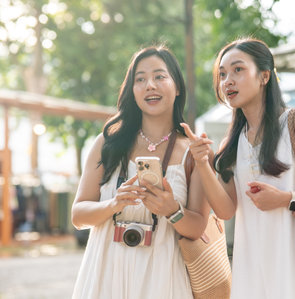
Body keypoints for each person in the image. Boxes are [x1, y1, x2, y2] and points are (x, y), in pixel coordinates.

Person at [181, 38, 295, 299]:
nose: (227, 80)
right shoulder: (232, 143)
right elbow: (226, 211)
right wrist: (204, 164)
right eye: (222, 74)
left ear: (264, 76)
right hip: (251, 269)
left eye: (238, 70)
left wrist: (286, 199)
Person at [71, 45, 210, 299]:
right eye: (141, 79)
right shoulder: (107, 144)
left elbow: (198, 227)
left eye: (159, 76)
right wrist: (113, 204)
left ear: (177, 87)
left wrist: (172, 210)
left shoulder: (194, 152)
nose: (150, 85)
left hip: (164, 276)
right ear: (132, 90)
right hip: (106, 274)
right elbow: (78, 215)